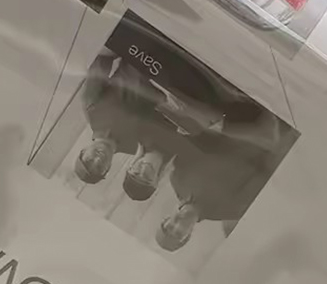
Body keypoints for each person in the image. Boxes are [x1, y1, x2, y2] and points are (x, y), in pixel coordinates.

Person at [156, 101, 292, 252]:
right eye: (179, 233)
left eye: (169, 227)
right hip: (271, 125)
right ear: (189, 234)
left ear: (166, 219)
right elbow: (268, 165)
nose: (177, 225)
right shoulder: (232, 210)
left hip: (229, 110)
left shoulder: (177, 178)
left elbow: (195, 138)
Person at [73, 51, 177, 201]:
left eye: (89, 160)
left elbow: (104, 57)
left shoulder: (91, 107)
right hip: (174, 76)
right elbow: (172, 121)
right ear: (108, 168)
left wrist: (134, 47)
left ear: (83, 151)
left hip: (145, 53)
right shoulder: (141, 147)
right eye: (100, 168)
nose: (97, 160)